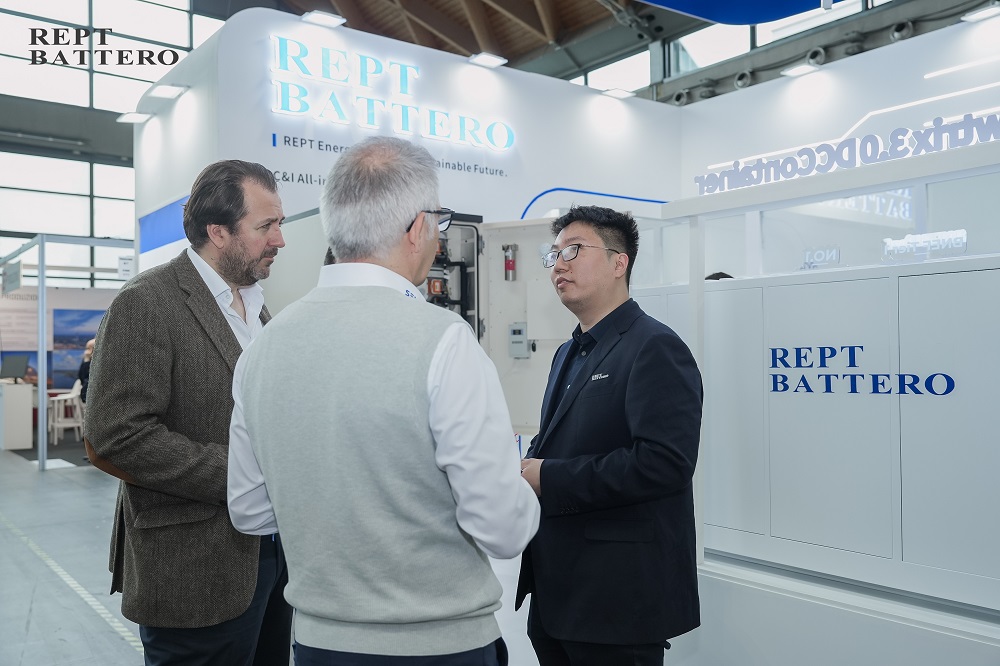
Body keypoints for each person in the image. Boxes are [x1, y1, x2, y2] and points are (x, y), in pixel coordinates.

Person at [227, 136, 540, 666]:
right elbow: (503, 529)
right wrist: (523, 485)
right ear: (418, 228)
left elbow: (250, 511)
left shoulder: (263, 347)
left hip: (319, 646)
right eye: (438, 223)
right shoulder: (444, 340)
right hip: (440, 647)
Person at [83, 160, 292, 666]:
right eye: (266, 226)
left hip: (271, 557)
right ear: (219, 232)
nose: (280, 240)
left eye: (279, 223)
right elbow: (115, 437)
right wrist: (245, 475)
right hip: (194, 569)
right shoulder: (147, 303)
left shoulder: (257, 307)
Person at [516, 205, 703, 666]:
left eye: (574, 250)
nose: (558, 265)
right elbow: (560, 441)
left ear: (620, 263)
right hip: (558, 593)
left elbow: (664, 464)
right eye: (554, 254)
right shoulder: (568, 352)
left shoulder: (655, 346)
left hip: (618, 599)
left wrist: (547, 477)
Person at [78, 338, 95, 403]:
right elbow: (81, 377)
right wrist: (86, 360)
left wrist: (87, 361)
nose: (86, 352)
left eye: (89, 348)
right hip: (86, 394)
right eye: (86, 348)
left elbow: (85, 377)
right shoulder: (87, 360)